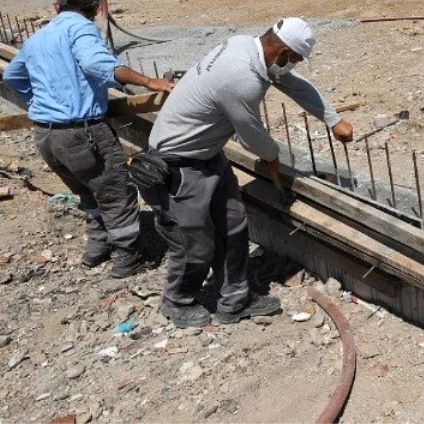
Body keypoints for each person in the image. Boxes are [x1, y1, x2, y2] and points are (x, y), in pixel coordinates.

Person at [146, 17, 354, 328]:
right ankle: (177, 301)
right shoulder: (241, 77)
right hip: (179, 163)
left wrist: (332, 119)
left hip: (207, 154)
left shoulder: (250, 49)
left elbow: (294, 85)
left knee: (233, 227)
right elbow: (251, 135)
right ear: (282, 53)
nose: (293, 66)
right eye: (294, 60)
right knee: (195, 243)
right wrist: (271, 159)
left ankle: (235, 299)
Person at [3, 0, 175, 277]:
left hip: (46, 135)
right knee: (116, 193)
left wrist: (41, 102)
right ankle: (126, 258)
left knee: (87, 191)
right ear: (95, 9)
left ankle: (97, 248)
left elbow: (12, 76)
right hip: (82, 132)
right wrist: (149, 82)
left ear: (56, 7)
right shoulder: (82, 28)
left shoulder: (37, 38)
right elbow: (99, 65)